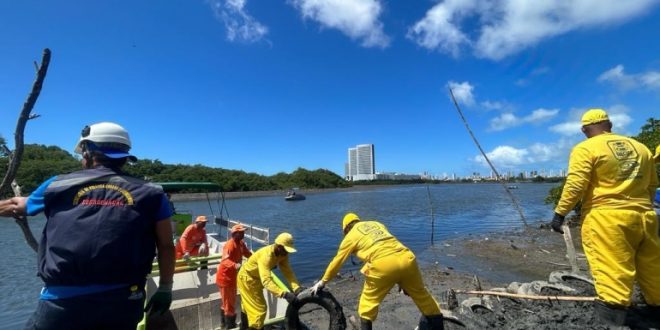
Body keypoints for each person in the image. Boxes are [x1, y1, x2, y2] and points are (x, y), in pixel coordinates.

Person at [0, 122, 175, 329]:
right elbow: (166, 245)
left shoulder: (57, 185)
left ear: (89, 150)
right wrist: (165, 288)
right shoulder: (152, 192)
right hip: (124, 300)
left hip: (62, 302)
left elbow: (15, 205)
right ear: (125, 155)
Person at [550, 109, 659, 326]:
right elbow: (652, 184)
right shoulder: (641, 148)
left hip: (607, 219)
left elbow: (576, 184)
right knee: (653, 268)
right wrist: (640, 206)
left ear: (584, 130)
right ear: (609, 124)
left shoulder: (585, 148)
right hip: (645, 216)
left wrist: (560, 213)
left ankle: (612, 322)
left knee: (611, 271)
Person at [310, 212, 444, 330]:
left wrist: (323, 281)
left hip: (382, 263)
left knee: (366, 306)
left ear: (345, 229)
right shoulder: (376, 223)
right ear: (358, 221)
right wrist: (401, 281)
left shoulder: (350, 236)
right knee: (423, 297)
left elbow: (337, 261)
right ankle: (438, 325)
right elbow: (386, 246)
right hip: (407, 257)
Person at [237, 232, 302, 330]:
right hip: (247, 279)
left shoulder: (282, 254)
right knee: (259, 310)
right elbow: (266, 281)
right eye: (286, 250)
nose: (287, 253)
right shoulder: (266, 256)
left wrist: (296, 288)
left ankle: (244, 327)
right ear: (279, 246)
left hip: (256, 280)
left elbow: (288, 271)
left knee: (247, 307)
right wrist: (284, 294)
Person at [216, 224, 252, 329]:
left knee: (227, 303)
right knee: (229, 304)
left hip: (232, 278)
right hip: (225, 279)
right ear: (235, 233)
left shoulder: (240, 243)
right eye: (241, 232)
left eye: (243, 232)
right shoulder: (229, 245)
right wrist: (236, 265)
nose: (243, 233)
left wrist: (257, 259)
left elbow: (247, 253)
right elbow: (225, 260)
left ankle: (224, 324)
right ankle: (230, 326)